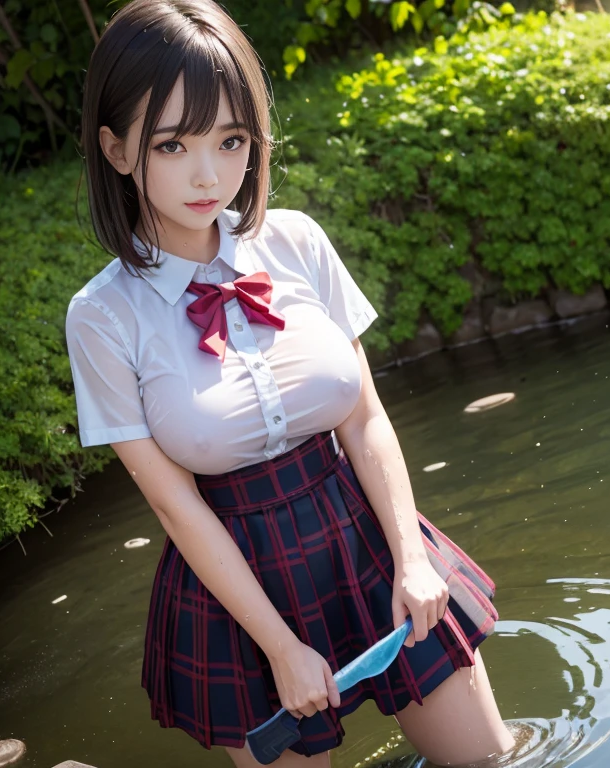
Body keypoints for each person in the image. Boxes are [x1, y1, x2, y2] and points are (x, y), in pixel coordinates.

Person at [65, 1, 515, 765]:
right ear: (115, 149)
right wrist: (278, 646)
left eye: (231, 140)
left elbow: (366, 419)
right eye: (173, 145)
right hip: (239, 585)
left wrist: (409, 558)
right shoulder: (102, 317)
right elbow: (175, 507)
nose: (210, 175)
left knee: (491, 760)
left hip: (365, 533)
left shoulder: (297, 241)